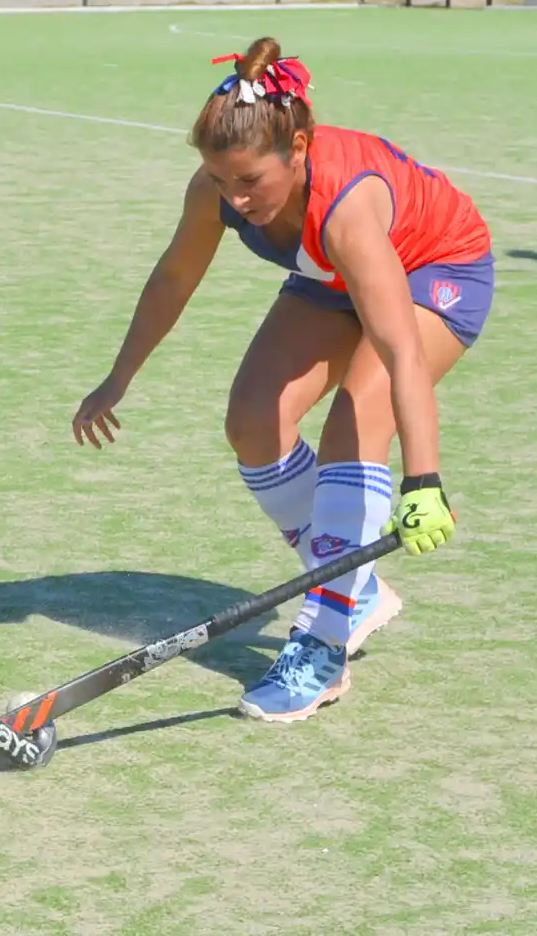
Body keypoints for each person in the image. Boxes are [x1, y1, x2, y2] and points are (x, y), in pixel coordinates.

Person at [72, 38, 485, 723]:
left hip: (436, 268)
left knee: (355, 420)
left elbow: (401, 353)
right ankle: (354, 585)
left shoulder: (346, 207)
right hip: (332, 277)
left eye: (249, 182)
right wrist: (118, 379)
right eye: (221, 180)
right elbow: (175, 276)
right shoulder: (218, 192)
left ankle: (323, 643)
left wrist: (423, 479)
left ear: (298, 148)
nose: (236, 199)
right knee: (254, 420)